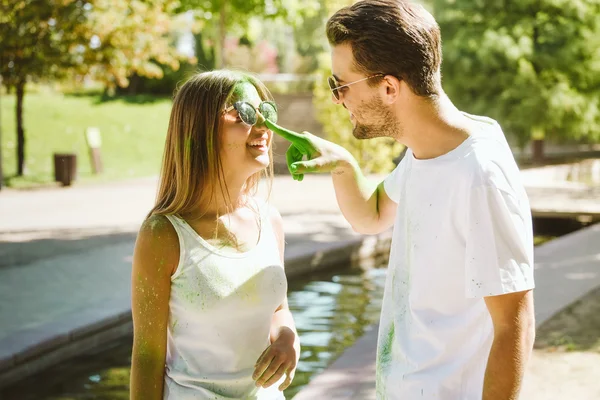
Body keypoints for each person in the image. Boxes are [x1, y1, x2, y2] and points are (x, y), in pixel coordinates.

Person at [265, 1, 536, 399]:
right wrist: (343, 165)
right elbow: (372, 215)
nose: (339, 99)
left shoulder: (479, 176)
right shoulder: (425, 151)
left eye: (341, 85)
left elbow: (515, 327)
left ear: (389, 87)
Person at [130, 70, 300, 400]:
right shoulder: (163, 236)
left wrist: (286, 341)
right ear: (200, 130)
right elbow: (148, 357)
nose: (265, 128)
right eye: (246, 113)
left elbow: (279, 311)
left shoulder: (270, 221)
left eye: (267, 112)